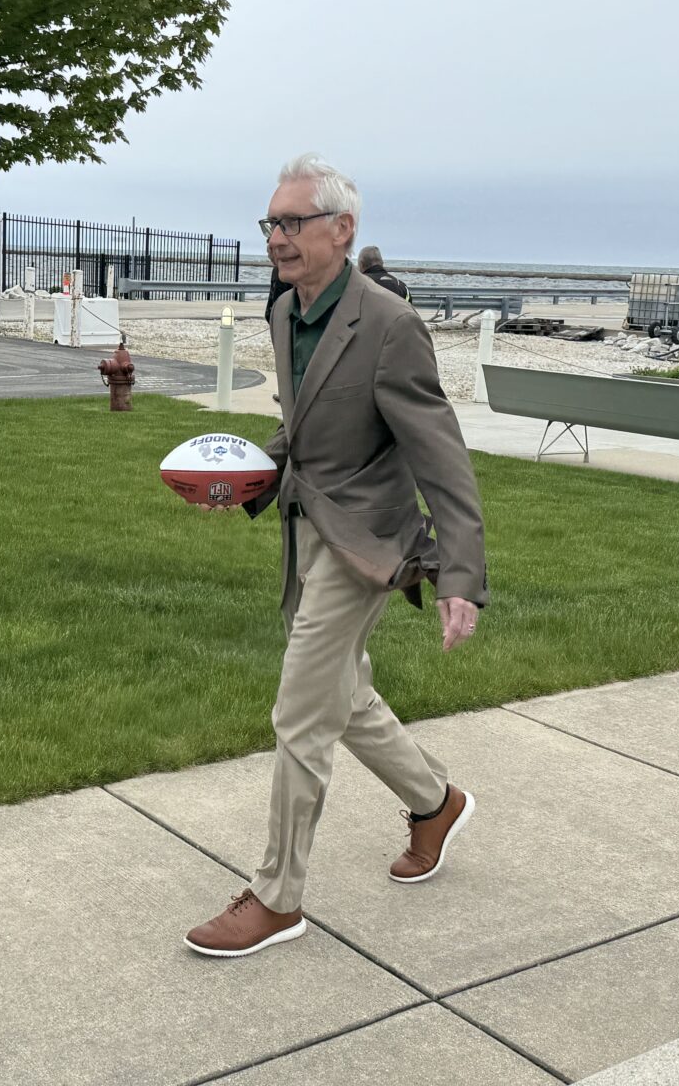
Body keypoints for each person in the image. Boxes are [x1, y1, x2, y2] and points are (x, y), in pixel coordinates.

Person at [185, 155, 487, 959]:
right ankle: (436, 802)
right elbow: (303, 431)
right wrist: (245, 479)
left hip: (369, 545)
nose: (276, 240)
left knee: (301, 711)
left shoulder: (388, 324)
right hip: (304, 530)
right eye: (271, 224)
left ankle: (278, 896)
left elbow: (440, 453)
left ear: (341, 230)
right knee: (344, 697)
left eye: (291, 224)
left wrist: (462, 575)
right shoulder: (287, 312)